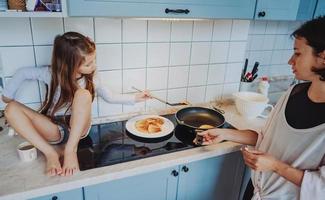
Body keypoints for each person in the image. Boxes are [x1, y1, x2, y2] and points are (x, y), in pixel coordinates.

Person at [198, 16, 325, 199]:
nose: (290, 61)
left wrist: (275, 166)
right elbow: (266, 139)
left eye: (297, 53)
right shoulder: (293, 93)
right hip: (256, 190)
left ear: (323, 57)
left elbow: (321, 188)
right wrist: (225, 133)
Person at [2, 32, 151, 177]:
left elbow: (109, 96)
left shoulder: (92, 77)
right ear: (69, 64)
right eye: (88, 64)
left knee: (83, 94)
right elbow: (22, 73)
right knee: (11, 109)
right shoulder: (51, 74)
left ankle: (69, 151)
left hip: (79, 129)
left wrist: (135, 98)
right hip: (54, 129)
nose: (94, 66)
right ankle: (50, 153)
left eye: (94, 60)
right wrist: (7, 96)